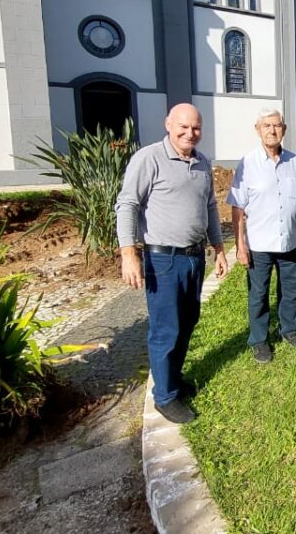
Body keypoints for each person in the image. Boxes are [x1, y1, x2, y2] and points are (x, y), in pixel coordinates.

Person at [116, 103, 228, 424]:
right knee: (166, 329)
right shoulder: (149, 158)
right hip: (163, 260)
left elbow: (209, 208)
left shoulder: (203, 163)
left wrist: (219, 248)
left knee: (188, 321)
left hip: (195, 258)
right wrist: (129, 253)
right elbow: (127, 204)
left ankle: (173, 381)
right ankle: (164, 397)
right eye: (182, 126)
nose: (189, 133)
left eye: (195, 128)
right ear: (168, 124)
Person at [227, 109, 296, 364]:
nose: (272, 130)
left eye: (276, 125)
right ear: (258, 129)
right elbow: (237, 208)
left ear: (284, 130)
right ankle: (259, 340)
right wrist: (240, 245)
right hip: (259, 244)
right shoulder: (247, 164)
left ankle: (289, 330)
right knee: (258, 294)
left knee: (291, 291)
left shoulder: (293, 161)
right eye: (266, 126)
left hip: (289, 240)